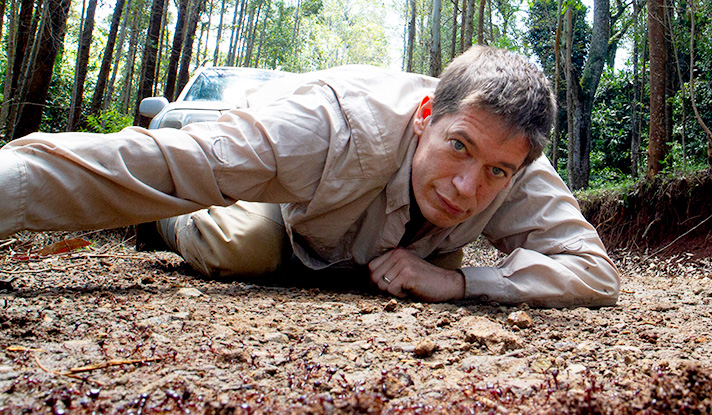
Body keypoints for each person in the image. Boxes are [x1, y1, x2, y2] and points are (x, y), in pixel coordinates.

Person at [0, 46, 619, 308]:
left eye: (496, 172)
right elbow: (161, 165)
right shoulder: (332, 124)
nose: (468, 188)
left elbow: (592, 270)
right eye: (458, 148)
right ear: (426, 116)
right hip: (289, 216)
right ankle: (163, 227)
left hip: (368, 248)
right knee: (241, 246)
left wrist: (461, 283)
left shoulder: (514, 160)